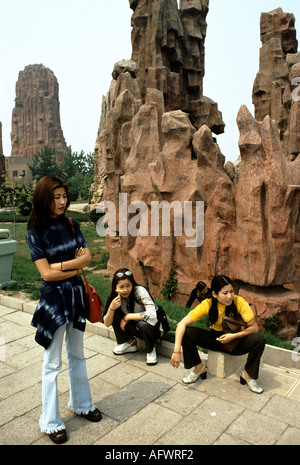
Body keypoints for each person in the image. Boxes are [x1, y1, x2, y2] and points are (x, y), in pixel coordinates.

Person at [27, 176, 101, 444]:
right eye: (56, 197)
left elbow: (88, 257)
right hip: (54, 302)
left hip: (75, 296)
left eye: (64, 196)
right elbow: (45, 274)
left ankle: (81, 404)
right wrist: (71, 264)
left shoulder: (72, 224)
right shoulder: (35, 232)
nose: (62, 201)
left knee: (78, 355)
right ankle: (50, 421)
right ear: (44, 198)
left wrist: (60, 266)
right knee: (52, 363)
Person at [170, 275, 265, 394]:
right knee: (186, 332)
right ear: (215, 294)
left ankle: (248, 375)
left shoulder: (239, 302)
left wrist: (234, 336)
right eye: (225, 293)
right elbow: (181, 324)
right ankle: (199, 368)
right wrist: (176, 351)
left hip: (235, 341)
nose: (229, 296)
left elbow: (254, 328)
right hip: (215, 338)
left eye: (231, 291)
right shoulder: (208, 304)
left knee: (259, 339)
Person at [103, 268, 162, 365]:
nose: (125, 290)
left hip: (153, 328)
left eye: (128, 285)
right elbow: (107, 323)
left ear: (132, 284)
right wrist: (111, 308)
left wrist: (128, 316)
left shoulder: (140, 291)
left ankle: (151, 349)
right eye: (121, 287)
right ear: (115, 287)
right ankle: (130, 343)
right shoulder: (115, 297)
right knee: (114, 313)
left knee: (143, 324)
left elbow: (152, 315)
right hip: (135, 327)